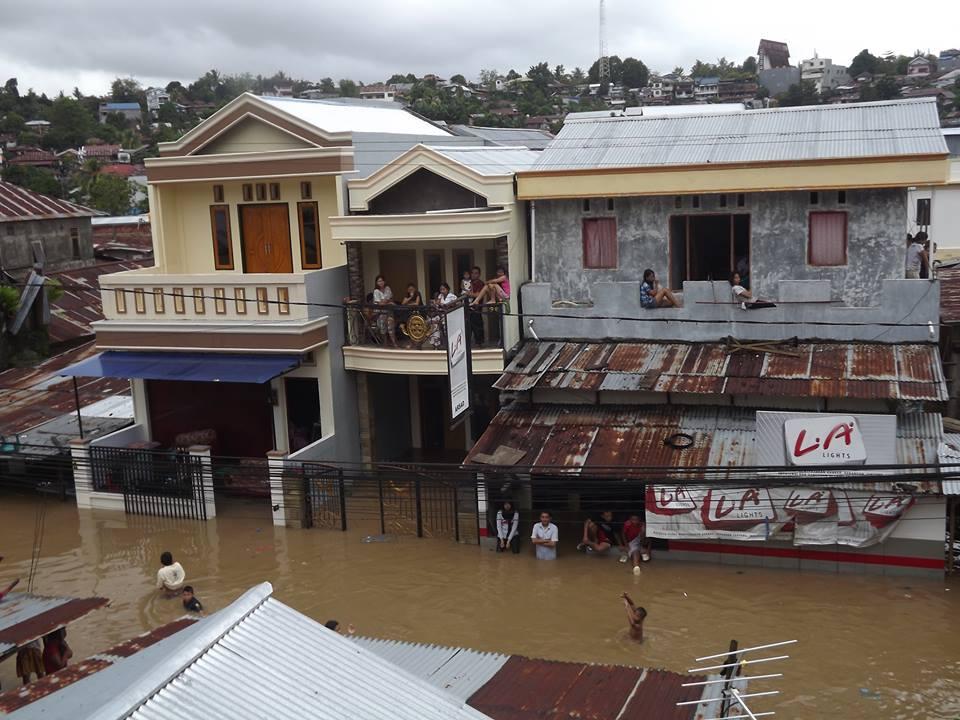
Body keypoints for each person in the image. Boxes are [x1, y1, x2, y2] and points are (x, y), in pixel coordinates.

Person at [372, 275, 398, 346]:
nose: (380, 282)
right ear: (376, 283)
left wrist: (386, 301)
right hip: (380, 312)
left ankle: (394, 343)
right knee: (383, 327)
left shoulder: (387, 288)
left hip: (388, 310)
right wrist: (388, 301)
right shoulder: (376, 291)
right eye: (379, 281)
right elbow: (380, 303)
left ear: (384, 281)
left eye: (382, 281)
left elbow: (391, 298)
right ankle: (385, 343)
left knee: (391, 326)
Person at [467, 266, 486, 346]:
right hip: (468, 307)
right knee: (468, 326)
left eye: (476, 273)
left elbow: (479, 294)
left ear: (479, 274)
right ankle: (468, 344)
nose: (474, 275)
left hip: (476, 308)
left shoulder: (480, 283)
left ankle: (479, 343)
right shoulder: (468, 282)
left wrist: (470, 294)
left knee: (477, 326)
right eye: (472, 273)